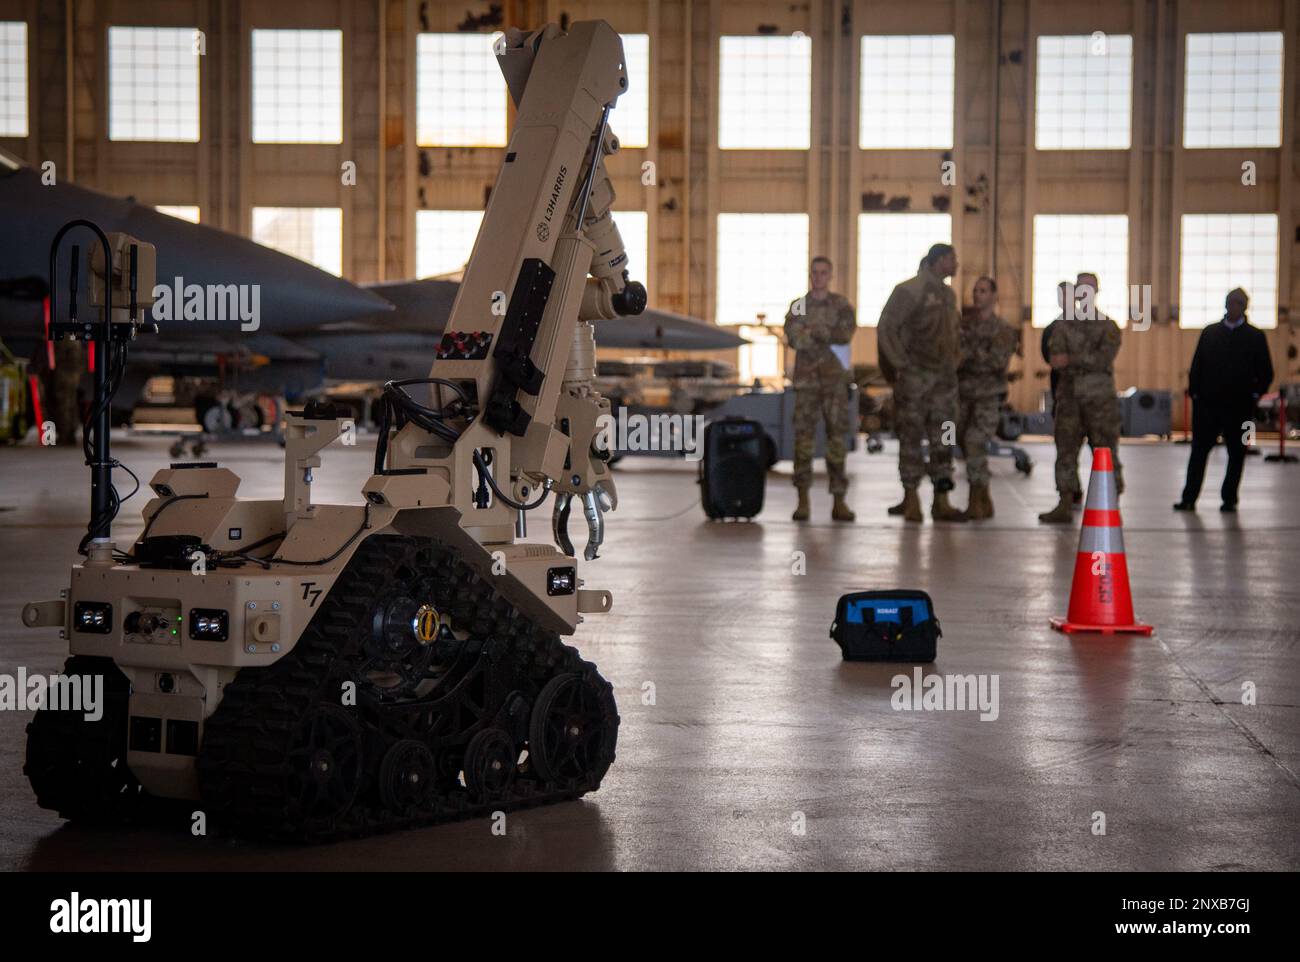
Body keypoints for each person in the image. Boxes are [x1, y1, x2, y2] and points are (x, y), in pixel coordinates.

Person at [877, 243, 967, 523]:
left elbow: (954, 334)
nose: (957, 264)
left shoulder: (949, 295)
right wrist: (901, 366)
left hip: (944, 382)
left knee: (946, 436)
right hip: (916, 379)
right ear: (939, 260)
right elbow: (887, 327)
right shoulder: (909, 290)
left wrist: (955, 361)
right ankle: (911, 497)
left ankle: (941, 498)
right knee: (911, 437)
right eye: (953, 259)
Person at [1174, 288, 1273, 512]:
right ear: (1225, 304)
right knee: (1198, 452)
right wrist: (1196, 394)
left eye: (1239, 302)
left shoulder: (1255, 337)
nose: (1234, 306)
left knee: (1237, 453)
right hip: (1208, 407)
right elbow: (1196, 365)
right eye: (1231, 302)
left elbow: (1266, 371)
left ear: (1245, 307)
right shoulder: (1210, 333)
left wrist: (1254, 395)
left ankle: (1229, 499)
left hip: (1240, 409)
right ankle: (1189, 498)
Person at [1039, 272, 1123, 523]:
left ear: (1096, 291)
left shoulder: (1108, 326)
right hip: (1069, 400)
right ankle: (1065, 501)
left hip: (1100, 403)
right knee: (1065, 450)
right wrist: (1083, 361)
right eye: (1081, 288)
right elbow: (1056, 359)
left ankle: (1110, 504)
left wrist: (1073, 360)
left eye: (1090, 287)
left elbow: (1104, 358)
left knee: (1105, 451)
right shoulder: (1062, 325)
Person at [784, 255, 856, 522]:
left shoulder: (841, 305)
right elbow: (794, 337)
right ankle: (803, 501)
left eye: (824, 272)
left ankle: (839, 501)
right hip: (806, 383)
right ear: (810, 274)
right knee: (803, 440)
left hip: (834, 382)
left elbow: (844, 334)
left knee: (837, 439)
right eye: (815, 272)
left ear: (831, 275)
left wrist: (813, 330)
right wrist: (822, 332)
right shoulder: (799, 306)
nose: (819, 277)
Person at [957, 276, 1019, 519]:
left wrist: (969, 356)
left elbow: (997, 362)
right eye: (975, 290)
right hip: (962, 396)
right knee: (959, 440)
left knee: (975, 441)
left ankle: (976, 499)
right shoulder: (963, 325)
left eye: (983, 291)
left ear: (994, 296)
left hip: (988, 396)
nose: (977, 295)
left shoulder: (1003, 329)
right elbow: (953, 356)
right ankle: (983, 497)